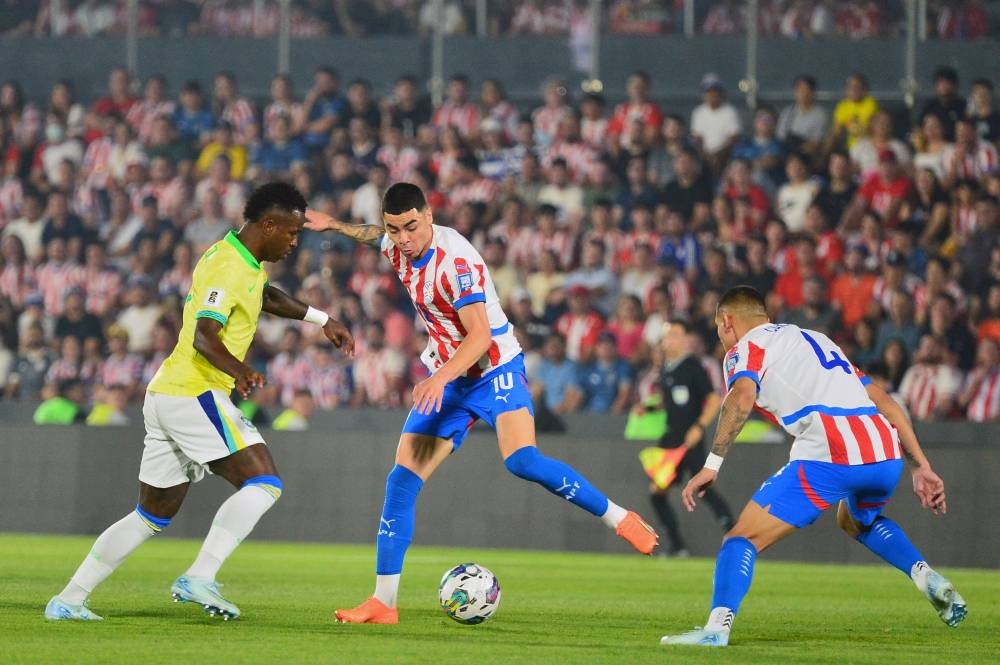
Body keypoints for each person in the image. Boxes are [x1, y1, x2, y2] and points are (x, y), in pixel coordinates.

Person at [304, 182, 659, 624]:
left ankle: (620, 518)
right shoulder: (397, 246)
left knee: (522, 461)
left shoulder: (458, 261)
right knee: (401, 481)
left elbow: (480, 337)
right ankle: (384, 602)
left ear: (429, 216)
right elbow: (372, 234)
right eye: (396, 229)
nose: (403, 238)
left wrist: (438, 378)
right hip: (451, 375)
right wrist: (334, 224)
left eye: (411, 226)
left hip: (493, 370)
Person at [45, 182, 354, 622]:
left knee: (150, 515)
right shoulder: (229, 266)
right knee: (264, 482)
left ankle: (69, 600)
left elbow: (263, 296)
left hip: (167, 394)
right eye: (290, 232)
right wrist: (241, 370)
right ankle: (200, 576)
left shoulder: (237, 259)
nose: (294, 242)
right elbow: (204, 336)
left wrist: (321, 319)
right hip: (194, 391)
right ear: (268, 224)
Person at [659, 286, 966, 648]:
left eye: (719, 329)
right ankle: (924, 574)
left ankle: (716, 629)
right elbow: (884, 401)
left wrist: (712, 464)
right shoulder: (815, 339)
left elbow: (741, 396)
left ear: (728, 321)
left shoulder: (746, 350)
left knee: (740, 539)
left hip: (831, 449)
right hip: (883, 449)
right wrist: (921, 466)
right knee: (853, 520)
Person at [646, 319, 733, 557]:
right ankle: (677, 546)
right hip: (670, 441)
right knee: (657, 492)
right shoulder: (665, 368)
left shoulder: (693, 366)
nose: (669, 340)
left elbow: (713, 399)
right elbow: (670, 401)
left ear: (685, 339)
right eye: (666, 335)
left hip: (690, 440)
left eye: (674, 334)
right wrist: (650, 408)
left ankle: (735, 534)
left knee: (703, 488)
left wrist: (699, 426)